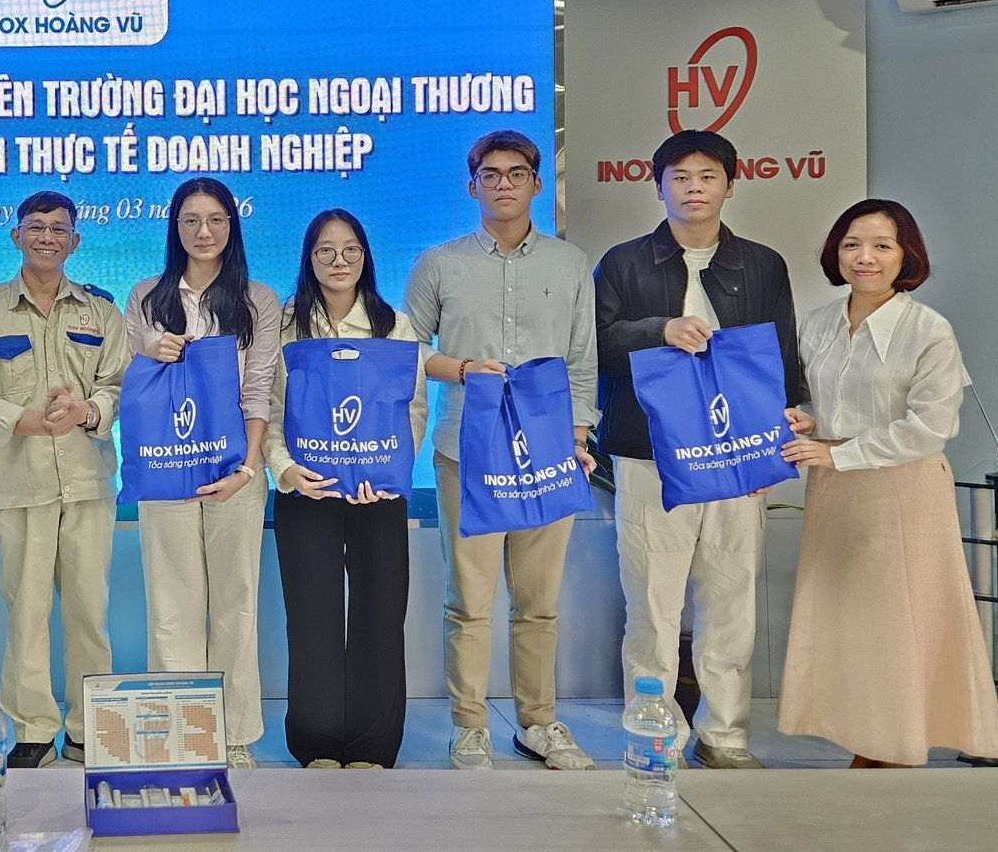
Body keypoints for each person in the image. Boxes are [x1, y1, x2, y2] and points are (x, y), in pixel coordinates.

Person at [594, 130, 808, 770]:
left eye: (707, 176)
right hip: (650, 456)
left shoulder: (763, 264)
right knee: (652, 606)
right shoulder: (623, 263)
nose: (694, 188)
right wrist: (659, 330)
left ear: (730, 185)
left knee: (731, 599)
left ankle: (725, 736)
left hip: (738, 456)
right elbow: (596, 343)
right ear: (658, 186)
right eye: (680, 177)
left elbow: (781, 353)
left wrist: (779, 437)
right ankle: (652, 736)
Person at [778, 200, 998, 767]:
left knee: (899, 624)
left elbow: (930, 428)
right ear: (836, 252)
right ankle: (868, 742)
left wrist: (837, 452)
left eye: (882, 246)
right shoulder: (819, 322)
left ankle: (898, 747)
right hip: (835, 490)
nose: (865, 257)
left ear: (907, 256)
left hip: (903, 492)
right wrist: (807, 422)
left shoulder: (928, 329)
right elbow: (825, 405)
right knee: (850, 623)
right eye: (852, 244)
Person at [404, 129, 600, 772]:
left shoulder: (570, 264)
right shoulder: (440, 264)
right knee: (469, 602)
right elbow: (407, 350)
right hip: (467, 451)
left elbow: (581, 360)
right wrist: (461, 369)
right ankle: (469, 728)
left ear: (537, 183)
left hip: (549, 454)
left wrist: (577, 439)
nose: (504, 184)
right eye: (490, 175)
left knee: (537, 603)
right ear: (473, 186)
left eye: (517, 173)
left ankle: (538, 723)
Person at [0, 191, 129, 768]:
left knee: (88, 613)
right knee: (25, 614)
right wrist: (26, 421)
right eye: (36, 226)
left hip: (87, 483)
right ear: (16, 235)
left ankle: (89, 726)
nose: (47, 237)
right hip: (18, 485)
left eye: (58, 228)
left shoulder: (102, 312)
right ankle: (31, 728)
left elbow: (119, 384)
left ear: (75, 240)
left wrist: (87, 411)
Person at [123, 177, 280, 769]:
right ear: (175, 228)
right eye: (190, 220)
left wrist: (248, 467)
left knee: (237, 602)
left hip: (235, 473)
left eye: (215, 219)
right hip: (166, 470)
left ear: (231, 226)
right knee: (171, 604)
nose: (203, 231)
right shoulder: (146, 297)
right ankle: (182, 735)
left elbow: (258, 389)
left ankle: (234, 734)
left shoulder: (258, 300)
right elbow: (130, 386)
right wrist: (150, 353)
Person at [267, 209, 429, 769]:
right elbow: (268, 406)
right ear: (308, 259)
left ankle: (372, 744)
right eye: (325, 251)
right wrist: (285, 470)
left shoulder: (394, 325)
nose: (339, 261)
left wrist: (388, 473)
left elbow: (412, 408)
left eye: (350, 250)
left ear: (365, 256)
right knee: (311, 615)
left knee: (380, 615)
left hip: (376, 495)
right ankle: (315, 741)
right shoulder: (284, 324)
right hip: (304, 492)